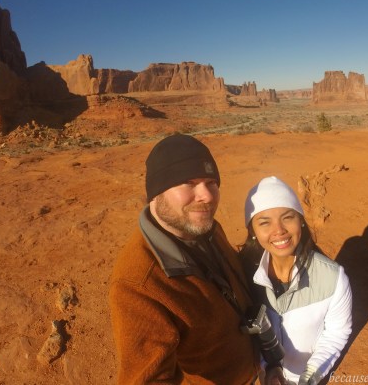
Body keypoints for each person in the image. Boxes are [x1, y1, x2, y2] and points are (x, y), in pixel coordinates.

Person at [109, 134, 259, 384]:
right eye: (189, 183)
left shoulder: (207, 228)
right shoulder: (139, 284)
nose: (207, 196)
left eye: (211, 182)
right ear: (156, 193)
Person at [240, 177, 352, 385]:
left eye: (287, 217)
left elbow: (337, 332)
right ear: (253, 231)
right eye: (264, 222)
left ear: (300, 220)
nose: (279, 230)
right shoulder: (242, 277)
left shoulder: (333, 278)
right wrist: (270, 369)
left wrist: (310, 377)